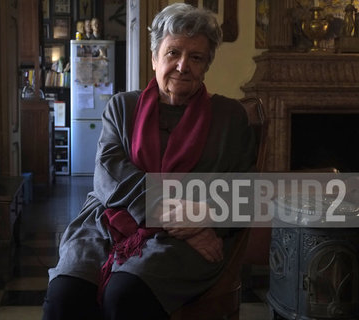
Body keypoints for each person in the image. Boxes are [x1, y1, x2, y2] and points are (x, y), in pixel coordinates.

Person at [42, 3, 256, 320]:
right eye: (173, 53)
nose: (183, 66)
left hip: (185, 239)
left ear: (206, 65)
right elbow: (109, 178)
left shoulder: (229, 116)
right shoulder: (121, 107)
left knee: (126, 294)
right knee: (66, 293)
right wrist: (173, 217)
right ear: (155, 57)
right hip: (110, 222)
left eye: (196, 57)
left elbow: (245, 192)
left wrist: (206, 217)